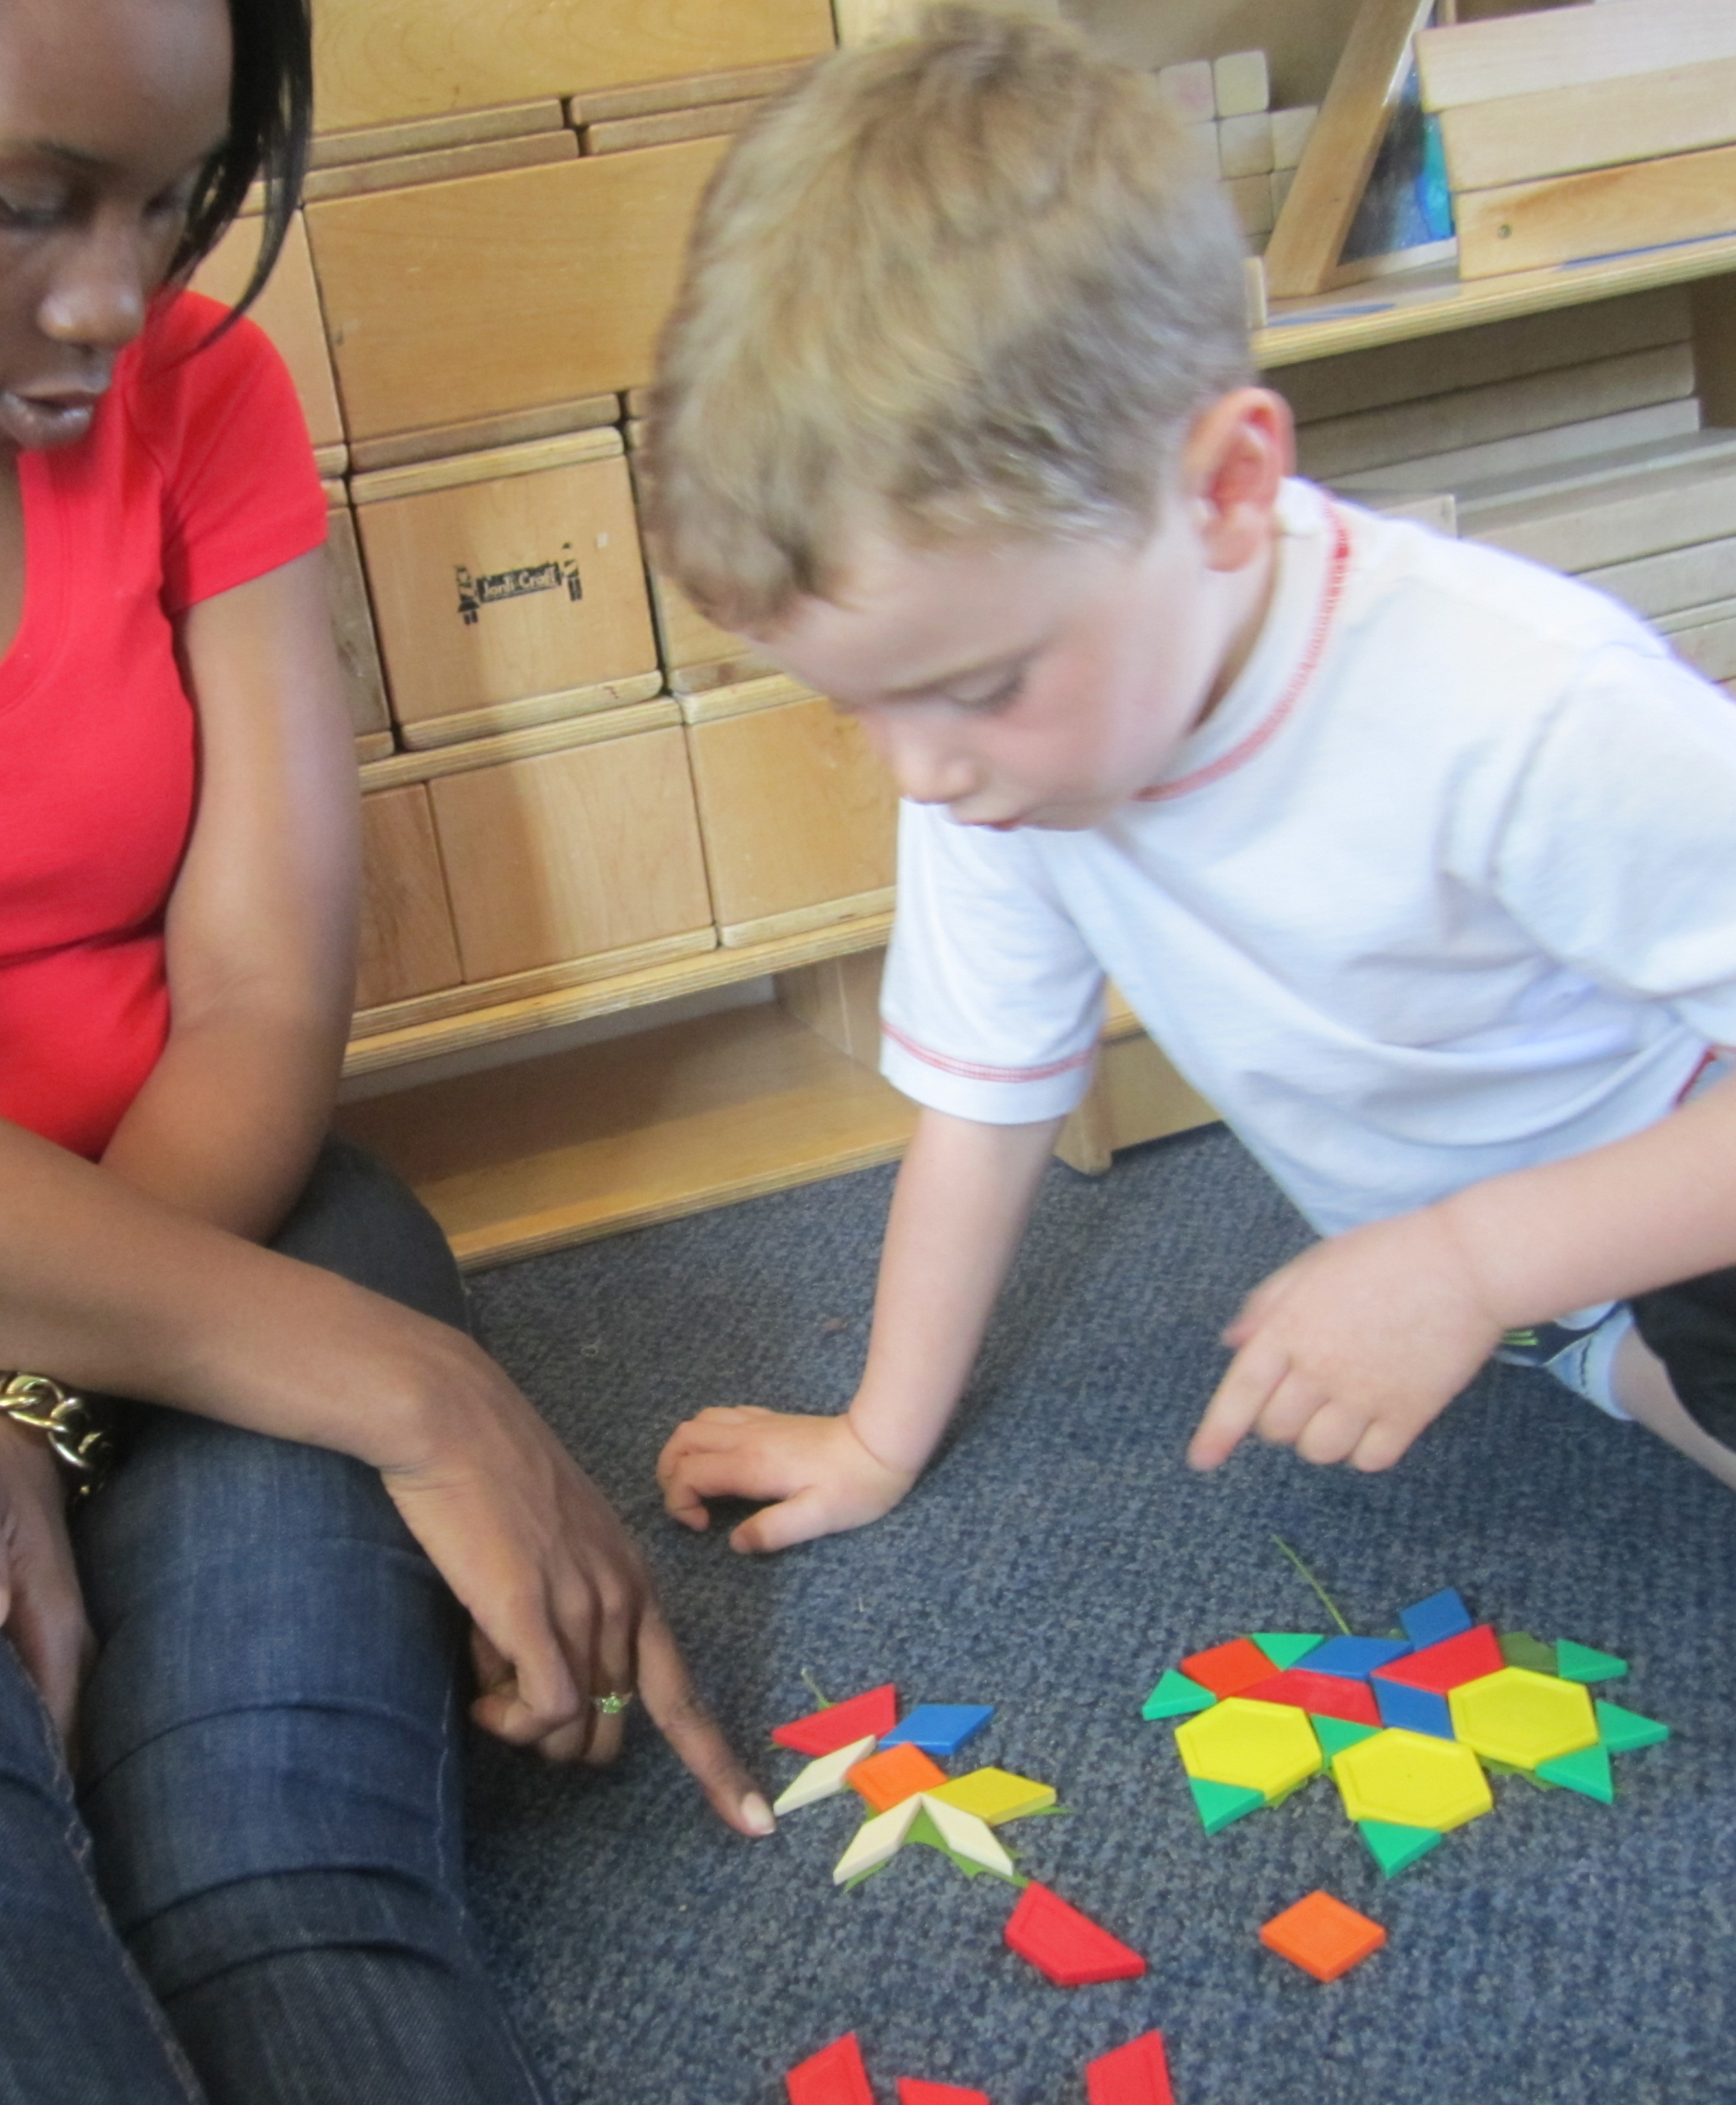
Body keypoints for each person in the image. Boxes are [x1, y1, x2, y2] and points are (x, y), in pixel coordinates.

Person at [0, 0, 771, 2098]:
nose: (122, 296)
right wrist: (412, 1393)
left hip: (224, 1206)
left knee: (279, 1895)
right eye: (28, 202)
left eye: (174, 200)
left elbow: (256, 1003)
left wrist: (32, 1419)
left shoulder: (202, 394)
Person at [647, 5, 1736, 1557]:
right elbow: (984, 1100)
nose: (924, 774)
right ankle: (1601, 1352)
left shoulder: (1520, 704)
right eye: (858, 709)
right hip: (1527, 1280)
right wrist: (878, 1436)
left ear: (1227, 492)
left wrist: (1477, 1263)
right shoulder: (994, 749)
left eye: (974, 688)